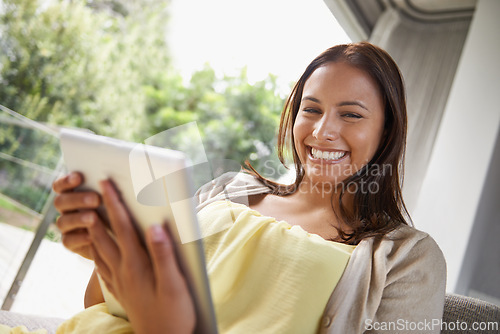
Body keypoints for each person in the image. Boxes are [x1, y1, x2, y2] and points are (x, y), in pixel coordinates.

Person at [51, 42, 446, 334]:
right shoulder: (228, 190)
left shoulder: (408, 258)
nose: (323, 131)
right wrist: (108, 249)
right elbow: (101, 304)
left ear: (387, 131)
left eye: (351, 115)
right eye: (311, 110)